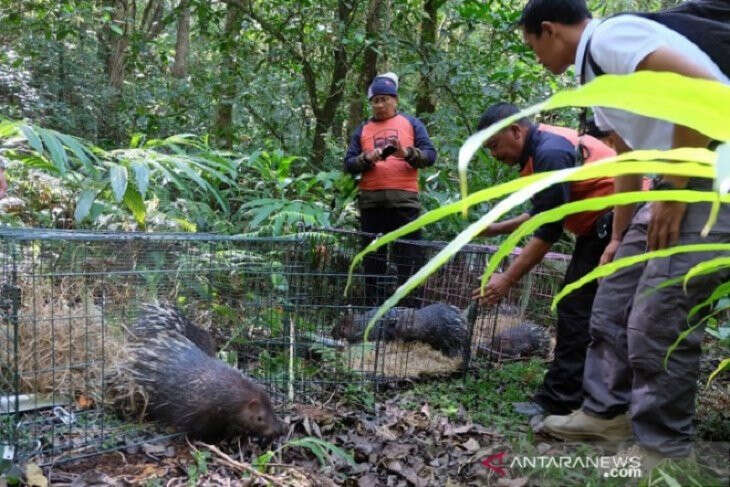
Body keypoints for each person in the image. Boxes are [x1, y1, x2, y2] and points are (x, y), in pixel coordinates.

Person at [518, 0, 730, 466]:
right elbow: (627, 162)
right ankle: (605, 412)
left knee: (661, 312)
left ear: (549, 30)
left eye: (531, 43)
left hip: (712, 177)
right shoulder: (594, 79)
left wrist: (674, 192)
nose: (534, 55)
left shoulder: (613, 38)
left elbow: (702, 89)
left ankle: (664, 451)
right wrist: (617, 238)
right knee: (613, 296)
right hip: (669, 183)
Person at [472, 103, 615, 417]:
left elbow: (549, 229)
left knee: (576, 307)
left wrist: (506, 279)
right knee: (584, 309)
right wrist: (494, 229)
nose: (494, 154)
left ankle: (561, 401)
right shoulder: (544, 149)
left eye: (494, 145)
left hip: (616, 223)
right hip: (601, 227)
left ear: (516, 131)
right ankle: (583, 396)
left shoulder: (549, 153)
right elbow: (543, 212)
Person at [344, 73, 437, 305]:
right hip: (371, 206)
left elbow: (430, 155)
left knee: (409, 257)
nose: (380, 104)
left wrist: (406, 153)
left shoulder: (411, 123)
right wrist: (367, 158)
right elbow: (348, 164)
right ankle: (372, 311)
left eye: (384, 99)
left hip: (404, 204)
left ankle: (410, 312)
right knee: (373, 260)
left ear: (395, 100)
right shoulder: (362, 129)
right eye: (375, 100)